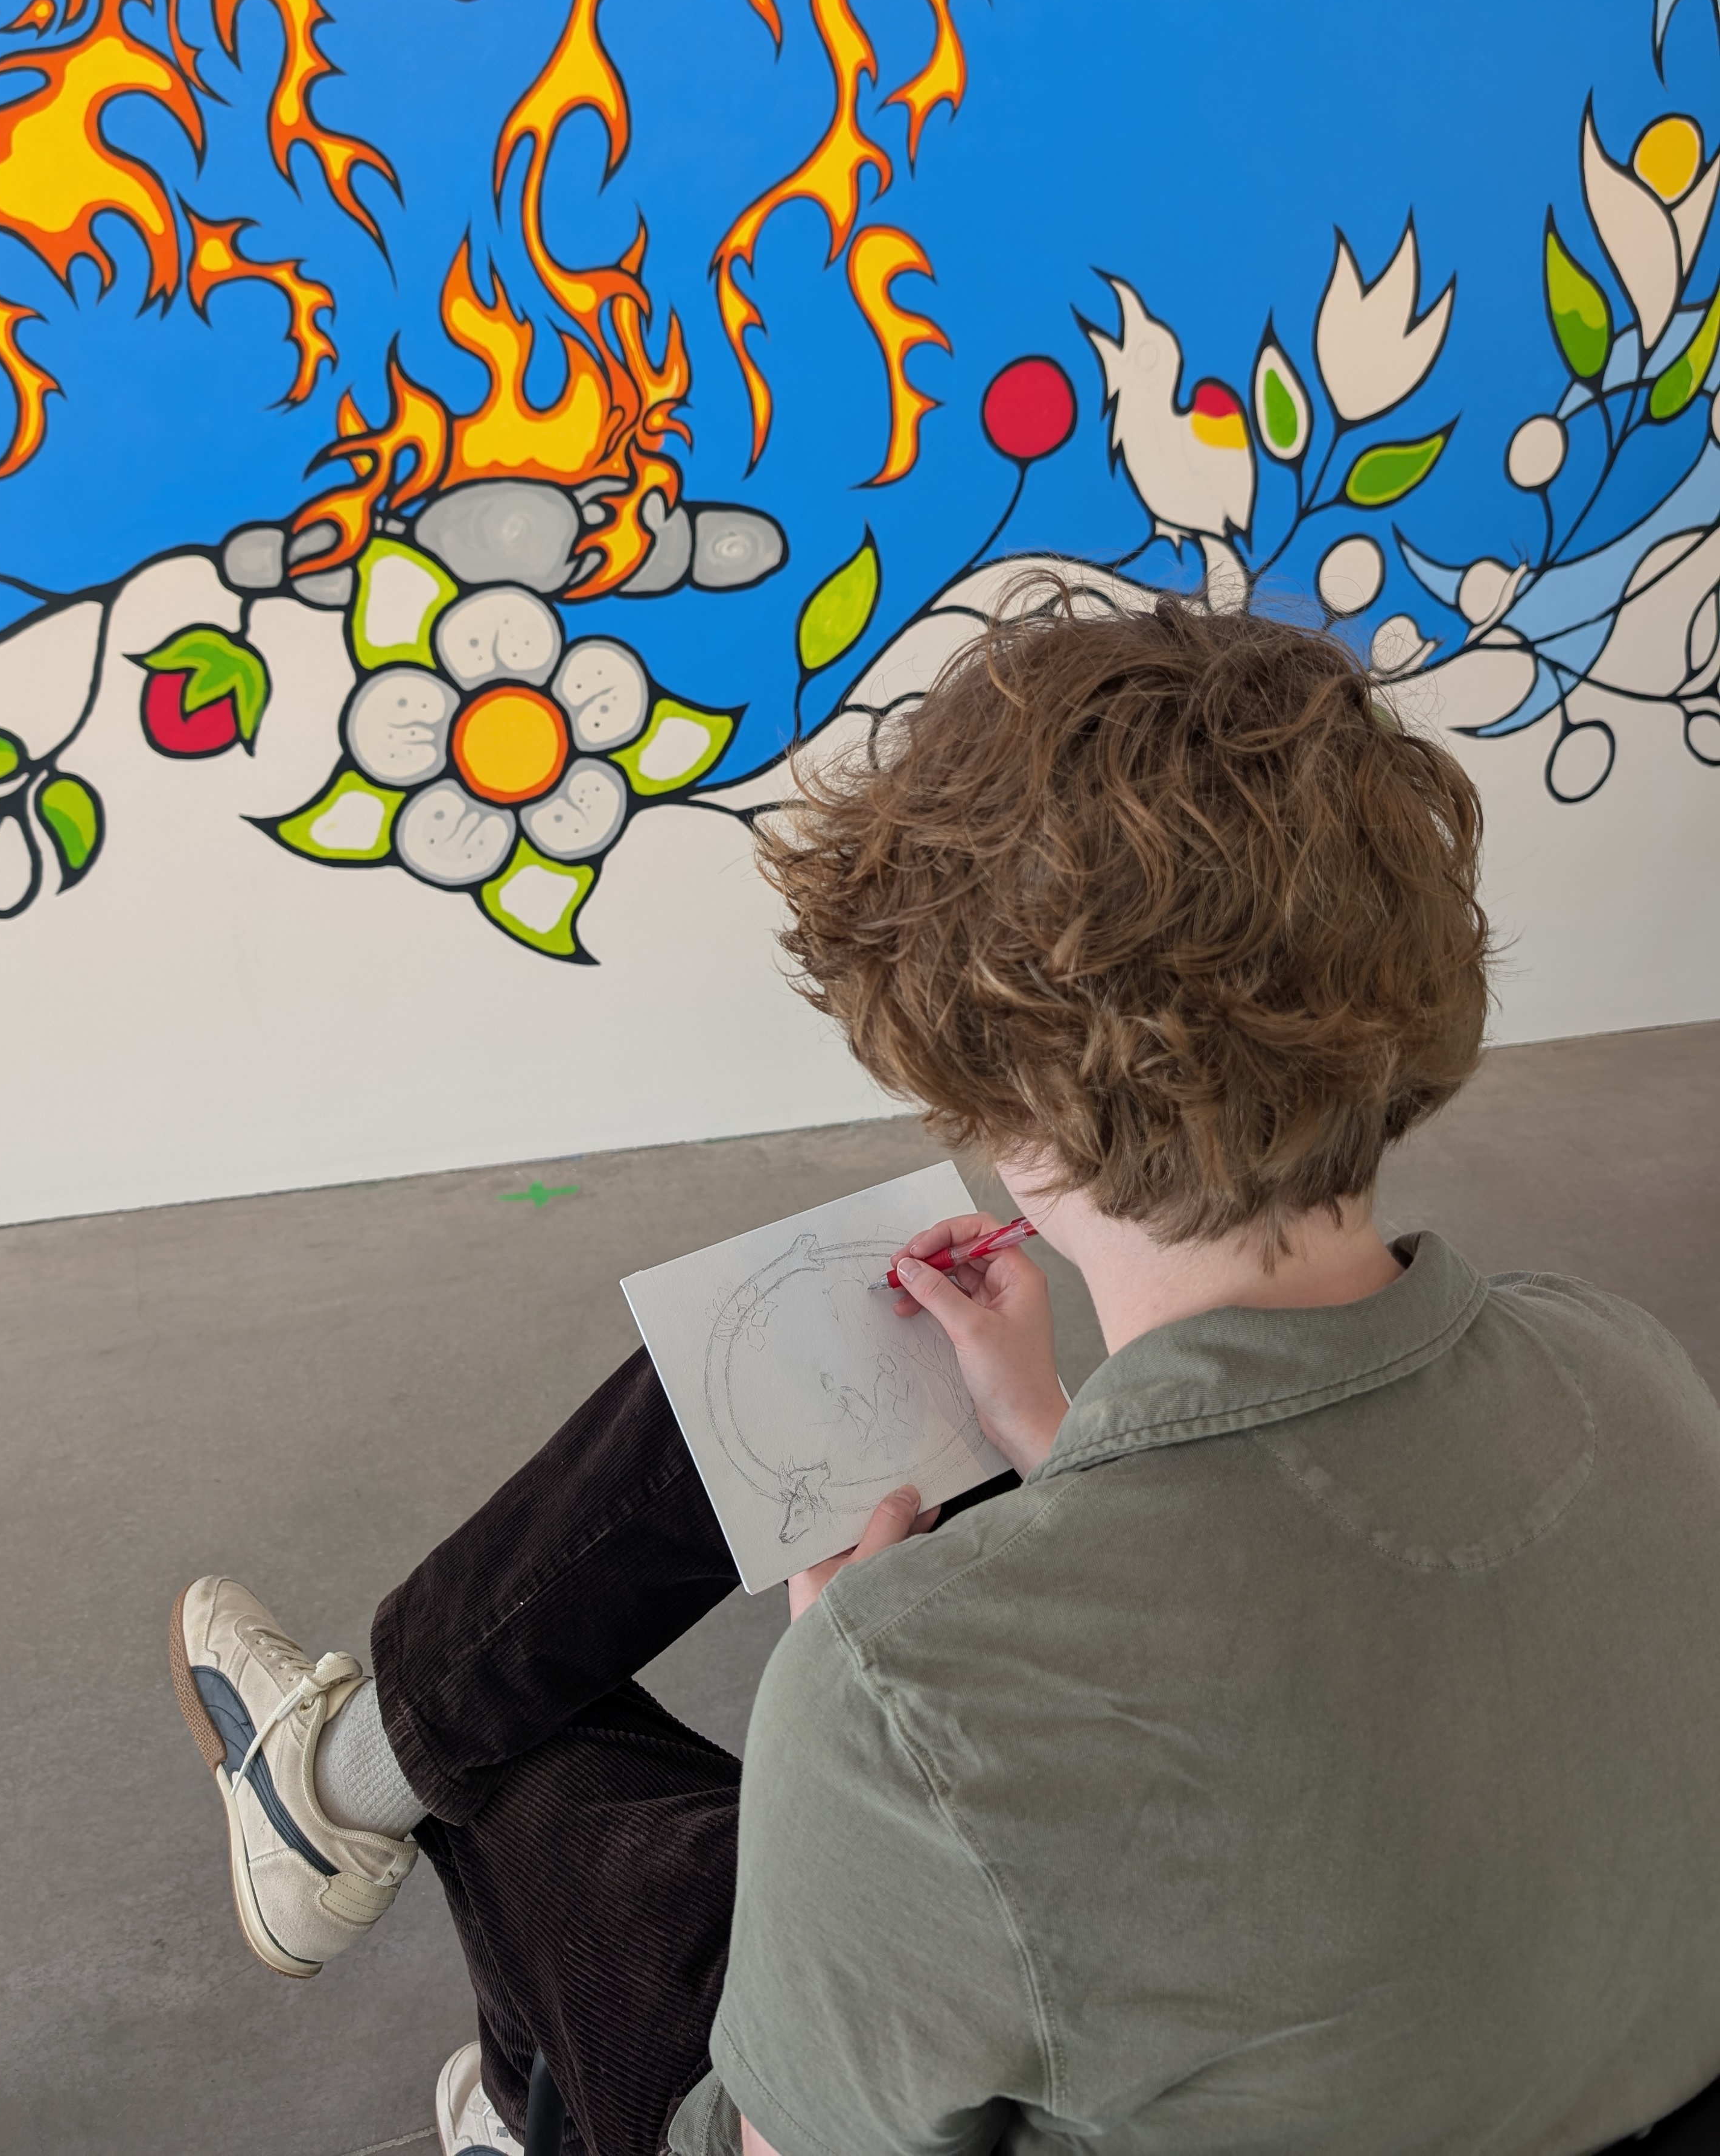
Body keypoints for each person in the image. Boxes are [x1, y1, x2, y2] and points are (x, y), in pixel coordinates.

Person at [168, 595, 1720, 2156]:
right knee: (736, 1439)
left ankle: (414, 1897)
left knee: (513, 1737)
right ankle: (374, 1848)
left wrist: (845, 1722)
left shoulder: (913, 1691)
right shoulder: (1630, 1377)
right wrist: (1048, 1429)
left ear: (1005, 1113)